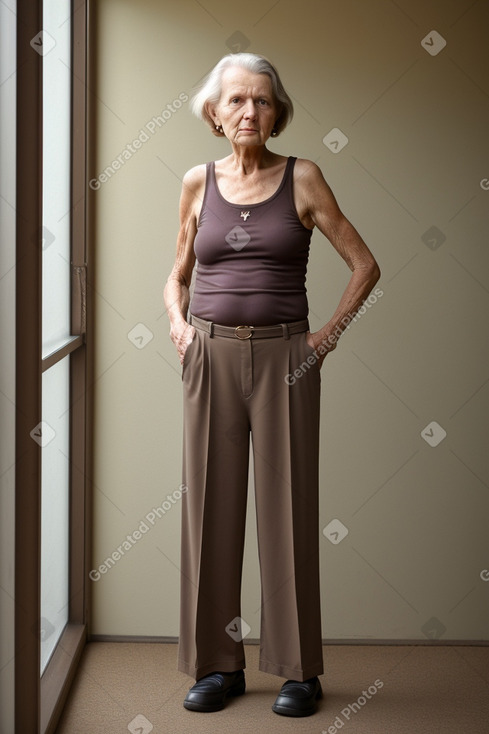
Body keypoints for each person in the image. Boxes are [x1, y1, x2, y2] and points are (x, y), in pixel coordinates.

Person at [164, 52, 380, 717]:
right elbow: (174, 273)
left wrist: (326, 337)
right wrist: (176, 323)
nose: (249, 112)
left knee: (286, 514)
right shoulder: (196, 182)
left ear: (276, 111)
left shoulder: (304, 177)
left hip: (288, 357)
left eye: (261, 101)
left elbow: (364, 264)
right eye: (236, 100)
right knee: (210, 511)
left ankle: (297, 671)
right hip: (211, 355)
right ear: (214, 112)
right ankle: (217, 665)